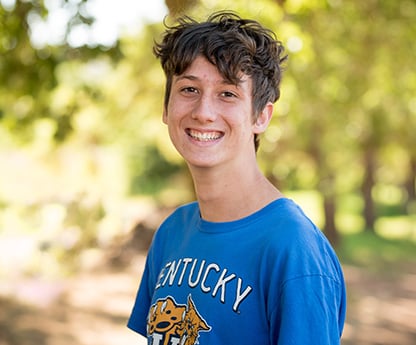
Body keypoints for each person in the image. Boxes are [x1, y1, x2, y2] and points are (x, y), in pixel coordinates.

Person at [127, 11, 346, 345]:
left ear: (261, 115)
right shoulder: (172, 232)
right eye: (189, 89)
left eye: (228, 94)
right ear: (165, 107)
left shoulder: (294, 251)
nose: (203, 112)